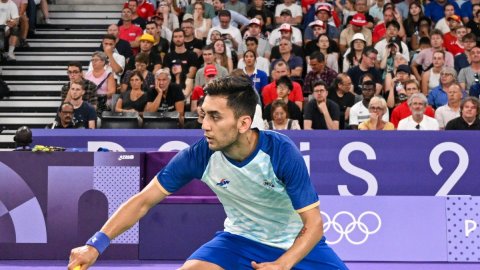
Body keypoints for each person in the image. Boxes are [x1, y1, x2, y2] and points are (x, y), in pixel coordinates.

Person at [68, 75, 347, 270]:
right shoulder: (200, 155)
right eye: (204, 115)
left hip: (296, 245)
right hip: (238, 241)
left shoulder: (280, 152)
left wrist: (283, 264)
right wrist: (95, 245)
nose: (205, 125)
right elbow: (143, 201)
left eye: (215, 116)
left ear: (243, 122)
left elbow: (314, 224)